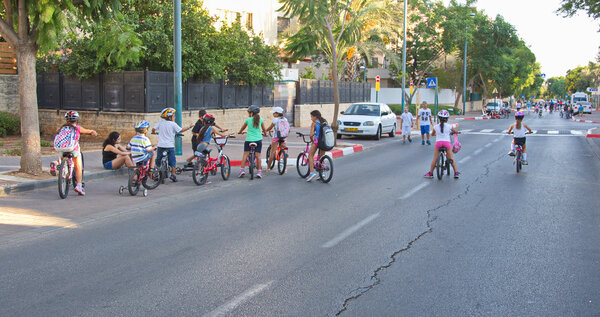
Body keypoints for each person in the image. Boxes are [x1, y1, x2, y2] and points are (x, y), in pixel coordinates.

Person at [50, 111, 97, 196]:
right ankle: (79, 185)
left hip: (61, 148)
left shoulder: (61, 128)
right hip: (73, 149)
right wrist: (92, 132)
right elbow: (88, 131)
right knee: (78, 166)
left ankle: (55, 163)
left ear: (67, 120)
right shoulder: (77, 128)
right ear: (77, 120)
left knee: (61, 158)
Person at [152, 107, 193, 182]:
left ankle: (156, 173)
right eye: (173, 116)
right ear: (170, 117)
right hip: (169, 146)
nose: (174, 117)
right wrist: (189, 127)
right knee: (172, 161)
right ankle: (173, 175)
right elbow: (181, 130)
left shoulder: (160, 123)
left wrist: (154, 132)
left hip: (161, 145)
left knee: (158, 160)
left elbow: (153, 129)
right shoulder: (173, 124)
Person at [424, 110, 460, 179]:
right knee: (451, 158)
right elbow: (455, 132)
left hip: (438, 143)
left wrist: (436, 134)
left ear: (439, 118)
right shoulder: (450, 126)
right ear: (447, 119)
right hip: (447, 143)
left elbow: (432, 134)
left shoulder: (436, 127)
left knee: (435, 159)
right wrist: (457, 132)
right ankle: (456, 172)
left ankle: (431, 173)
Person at [237, 105, 267, 178]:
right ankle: (259, 172)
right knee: (258, 156)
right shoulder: (261, 120)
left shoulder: (248, 120)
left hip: (249, 140)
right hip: (258, 140)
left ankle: (242, 170)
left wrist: (240, 132)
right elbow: (264, 129)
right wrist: (265, 134)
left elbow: (242, 128)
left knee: (245, 155)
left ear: (251, 113)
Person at [306, 110, 326, 182]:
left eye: (311, 116)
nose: (311, 118)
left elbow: (311, 135)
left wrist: (312, 140)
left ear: (315, 117)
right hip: (324, 141)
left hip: (317, 141)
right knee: (321, 157)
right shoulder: (324, 122)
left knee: (310, 155)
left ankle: (311, 173)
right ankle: (322, 173)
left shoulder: (314, 123)